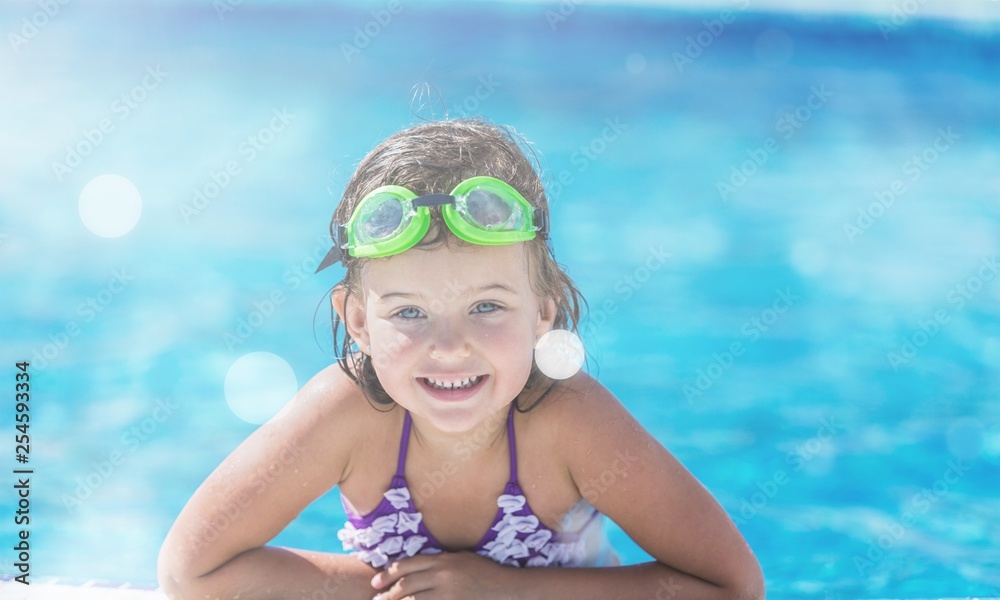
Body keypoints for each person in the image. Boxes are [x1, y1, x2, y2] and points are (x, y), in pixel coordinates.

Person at [157, 118, 764, 599]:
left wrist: (509, 593)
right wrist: (409, 589)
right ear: (359, 321)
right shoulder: (347, 413)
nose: (449, 347)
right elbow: (191, 572)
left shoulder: (570, 422)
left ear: (544, 312)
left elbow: (732, 587)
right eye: (410, 313)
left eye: (487, 307)